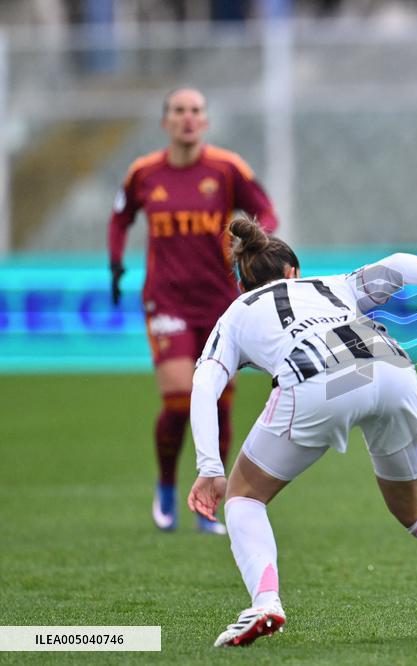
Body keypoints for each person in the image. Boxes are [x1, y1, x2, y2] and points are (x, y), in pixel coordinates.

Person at [186, 216, 417, 646]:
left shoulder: (235, 313)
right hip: (392, 365)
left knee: (245, 496)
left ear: (242, 284)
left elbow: (204, 383)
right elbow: (397, 265)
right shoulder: (330, 285)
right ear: (292, 272)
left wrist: (210, 466)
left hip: (317, 378)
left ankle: (266, 601)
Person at [108, 88, 279, 535]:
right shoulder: (144, 173)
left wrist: (259, 248)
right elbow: (119, 217)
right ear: (166, 121)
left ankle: (208, 500)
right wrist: (115, 261)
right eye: (180, 111)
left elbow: (265, 211)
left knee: (220, 400)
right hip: (166, 300)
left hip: (221, 302)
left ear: (205, 121)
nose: (188, 118)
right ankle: (166, 485)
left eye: (197, 111)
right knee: (181, 396)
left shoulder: (227, 169)